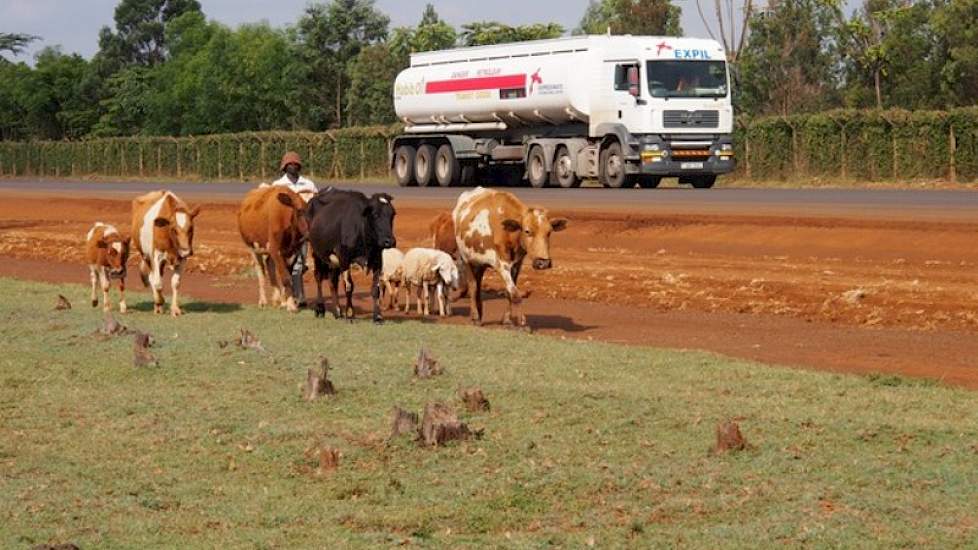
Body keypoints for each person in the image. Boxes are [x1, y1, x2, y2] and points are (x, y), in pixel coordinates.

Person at [272, 151, 318, 307]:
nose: (293, 166)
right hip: (285, 234)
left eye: (296, 164)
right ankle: (291, 296)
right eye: (290, 164)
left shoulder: (308, 185)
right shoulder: (277, 186)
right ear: (284, 167)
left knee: (299, 265)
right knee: (286, 265)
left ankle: (299, 297)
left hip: (304, 231)